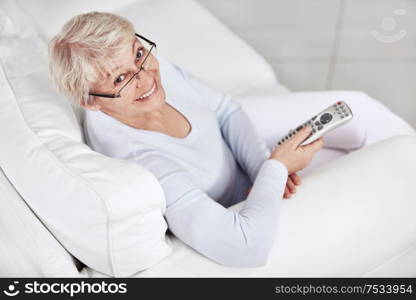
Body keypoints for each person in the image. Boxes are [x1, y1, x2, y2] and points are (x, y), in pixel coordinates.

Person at [48, 12, 415, 267]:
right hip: (246, 204)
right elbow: (246, 248)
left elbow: (224, 109)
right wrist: (276, 168)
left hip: (249, 160)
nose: (145, 77)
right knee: (380, 159)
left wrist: (261, 165)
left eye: (140, 54)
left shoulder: (148, 72)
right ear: (88, 101)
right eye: (119, 79)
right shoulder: (143, 162)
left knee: (357, 110)